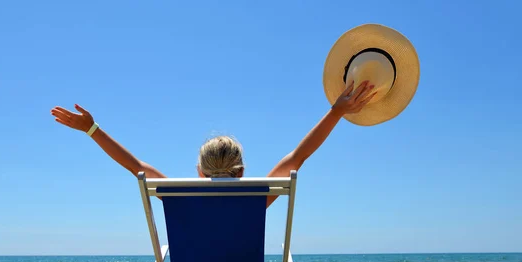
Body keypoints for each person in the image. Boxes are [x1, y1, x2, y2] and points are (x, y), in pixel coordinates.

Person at [50, 80, 375, 207]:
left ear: (199, 172)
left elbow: (134, 166)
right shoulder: (256, 198)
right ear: (242, 172)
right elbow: (299, 156)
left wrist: (91, 129)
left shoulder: (182, 197)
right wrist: (337, 111)